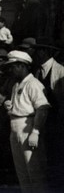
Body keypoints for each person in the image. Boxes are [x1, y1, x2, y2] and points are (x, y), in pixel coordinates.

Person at [2, 51, 50, 193]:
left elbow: (42, 108)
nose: (10, 70)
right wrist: (10, 105)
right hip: (15, 127)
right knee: (22, 171)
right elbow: (22, 105)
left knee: (34, 171)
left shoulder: (33, 84)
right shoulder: (16, 85)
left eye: (13, 66)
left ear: (22, 65)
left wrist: (35, 131)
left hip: (28, 127)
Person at [31, 40, 64, 189]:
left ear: (47, 52)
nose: (37, 54)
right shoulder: (37, 71)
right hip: (41, 117)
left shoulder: (61, 71)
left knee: (55, 151)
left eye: (40, 50)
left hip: (57, 118)